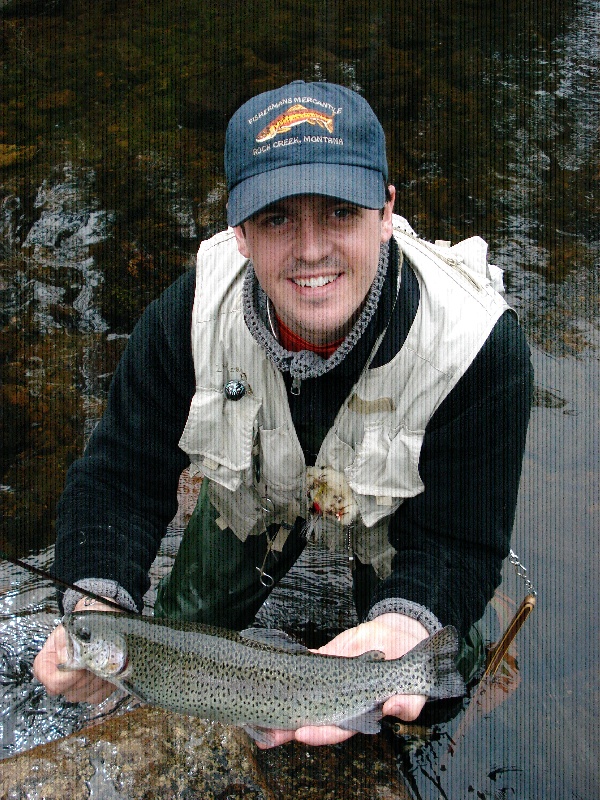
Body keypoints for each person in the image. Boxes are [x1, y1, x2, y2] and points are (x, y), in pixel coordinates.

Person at [33, 80, 533, 748]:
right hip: (259, 495)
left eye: (340, 213)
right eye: (276, 219)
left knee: (432, 688)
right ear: (239, 233)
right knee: (180, 626)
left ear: (386, 212)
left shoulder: (478, 348)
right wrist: (95, 603)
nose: (311, 250)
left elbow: (460, 540)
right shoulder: (188, 316)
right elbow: (121, 471)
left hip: (391, 521)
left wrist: (409, 623)